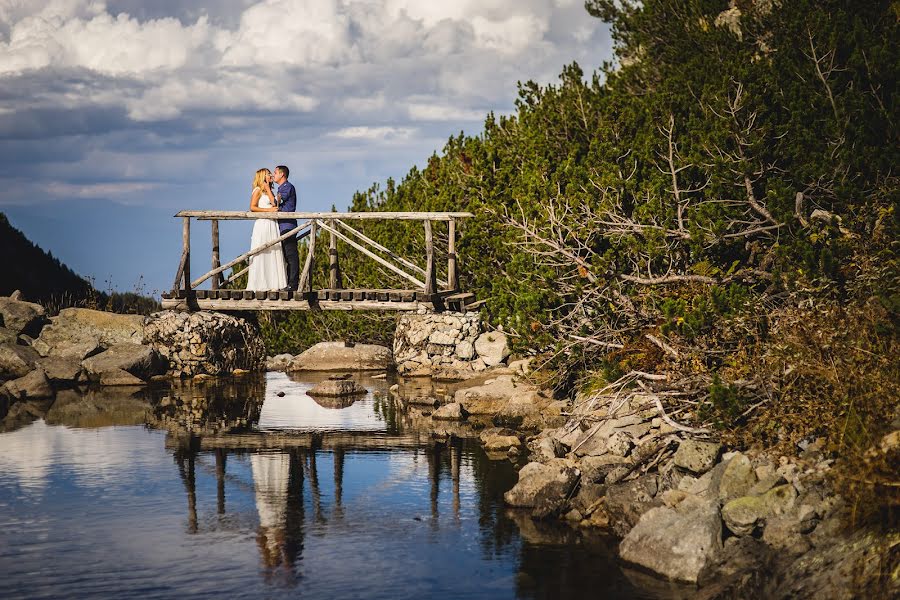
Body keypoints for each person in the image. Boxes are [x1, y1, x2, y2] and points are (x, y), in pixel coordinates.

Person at [246, 168, 287, 291]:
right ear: (263, 176)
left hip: (272, 225)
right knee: (262, 251)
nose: (271, 176)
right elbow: (252, 207)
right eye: (269, 174)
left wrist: (268, 189)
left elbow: (274, 204)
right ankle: (259, 284)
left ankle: (273, 283)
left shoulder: (270, 191)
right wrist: (268, 211)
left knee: (273, 251)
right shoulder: (257, 190)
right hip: (263, 224)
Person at [273, 165, 299, 291]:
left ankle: (293, 284)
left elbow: (276, 202)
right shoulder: (281, 188)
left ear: (282, 174)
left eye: (275, 173)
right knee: (285, 256)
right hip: (281, 226)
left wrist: (267, 189)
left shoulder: (287, 187)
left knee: (291, 255)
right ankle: (288, 283)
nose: (273, 175)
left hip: (287, 226)